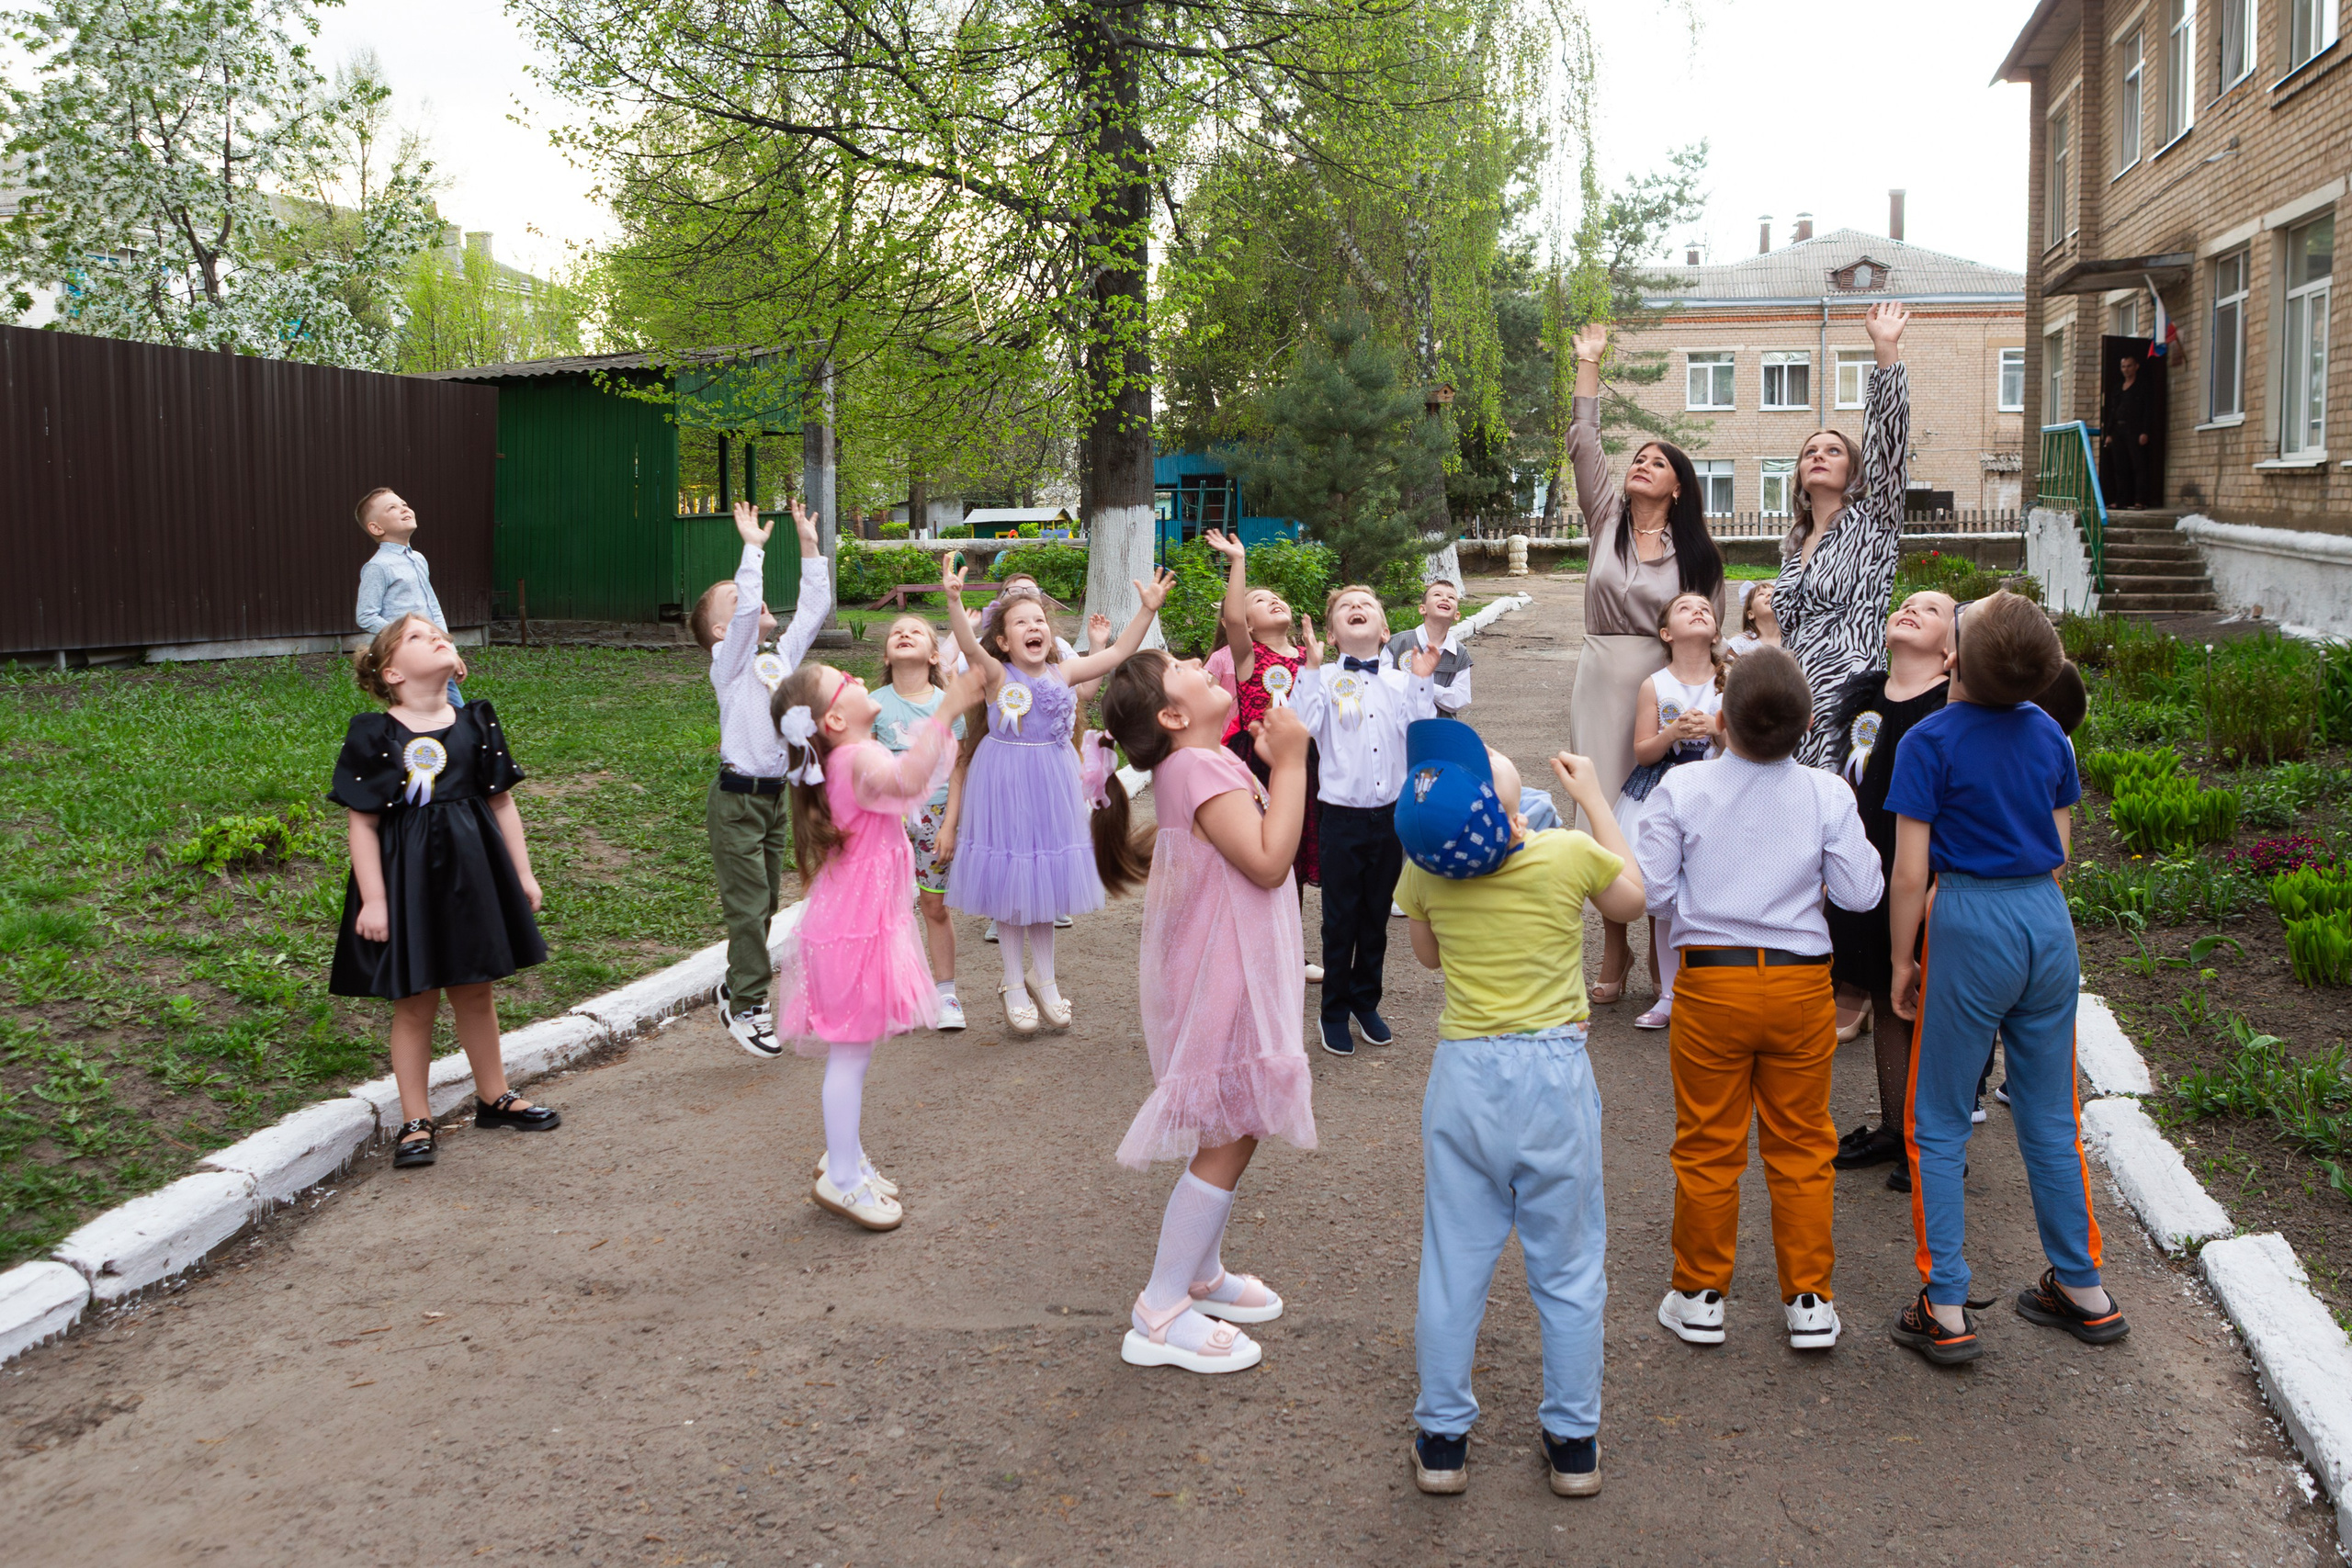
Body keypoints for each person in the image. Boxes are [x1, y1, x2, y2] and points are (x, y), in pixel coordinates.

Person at [1394, 722, 1645, 1498]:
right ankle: (1573, 1441)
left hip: (1465, 1074)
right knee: (1568, 1268)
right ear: (1513, 820)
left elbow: (1428, 956)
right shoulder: (1564, 854)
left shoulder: (1424, 874)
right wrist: (1595, 800)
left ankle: (1442, 1439)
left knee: (1454, 1262)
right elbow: (1633, 896)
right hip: (1552, 1075)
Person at [1886, 592, 2126, 1365]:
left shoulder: (1928, 740)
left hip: (1969, 920)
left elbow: (1910, 870)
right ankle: (2083, 1286)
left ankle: (1946, 1303)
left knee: (1940, 1119)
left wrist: (1902, 959)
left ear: (1951, 658)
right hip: (2045, 924)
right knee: (2053, 1114)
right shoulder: (2053, 733)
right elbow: (2056, 852)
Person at [1637, 647, 1883, 1351]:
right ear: (1808, 722)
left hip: (1711, 981)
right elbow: (1863, 891)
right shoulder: (1828, 793)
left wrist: (1705, 901)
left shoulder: (1682, 793)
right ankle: (1809, 1299)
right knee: (1803, 1142)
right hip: (1802, 982)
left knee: (1709, 1142)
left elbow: (1653, 891)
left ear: (1720, 716)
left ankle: (1700, 1294)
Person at [1091, 650, 1319, 1375]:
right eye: (1180, 665)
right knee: (1234, 1128)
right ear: (1173, 714)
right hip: (1230, 971)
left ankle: (1203, 1272)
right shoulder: (1196, 768)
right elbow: (1268, 859)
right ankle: (1159, 1310)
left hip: (1235, 960)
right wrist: (1291, 765)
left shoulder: (1205, 760)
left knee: (1235, 1120)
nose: (1198, 658)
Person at [766, 658, 987, 1230]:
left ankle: (846, 1156)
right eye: (847, 680)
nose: (861, 680)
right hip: (855, 933)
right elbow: (912, 781)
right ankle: (841, 1177)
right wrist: (947, 707)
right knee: (850, 1055)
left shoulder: (845, 758)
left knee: (853, 1056)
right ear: (835, 718)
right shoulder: (860, 756)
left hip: (853, 925)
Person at [330, 615, 554, 1168]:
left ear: (456, 663)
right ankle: (415, 1118)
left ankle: (494, 1096)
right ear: (392, 673)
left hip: (474, 878)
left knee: (476, 989)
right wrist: (375, 899)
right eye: (415, 636)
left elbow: (501, 802)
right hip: (406, 885)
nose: (434, 636)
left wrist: (522, 874)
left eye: (438, 633)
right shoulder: (373, 734)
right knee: (414, 1001)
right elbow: (362, 823)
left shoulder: (477, 721)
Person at [1563, 321, 1733, 1004]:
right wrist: (1588, 365)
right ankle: (1614, 947)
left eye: (1658, 462)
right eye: (1638, 457)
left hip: (1668, 686)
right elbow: (1583, 445)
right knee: (1603, 813)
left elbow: (1714, 634)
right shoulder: (1604, 517)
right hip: (1601, 679)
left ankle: (1671, 947)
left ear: (1679, 487)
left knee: (1669, 809)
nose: (1642, 465)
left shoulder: (1700, 557)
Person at [942, 554, 1176, 1032]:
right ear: (1004, 640)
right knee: (1010, 879)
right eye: (1021, 623)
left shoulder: (1063, 673)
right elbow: (968, 644)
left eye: (1039, 621)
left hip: (1053, 779)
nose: (1034, 627)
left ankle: (1043, 978)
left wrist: (1147, 611)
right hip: (1003, 780)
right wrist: (953, 600)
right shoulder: (995, 674)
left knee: (1046, 880)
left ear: (1049, 633)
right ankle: (1011, 980)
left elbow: (1115, 655)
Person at [1823, 591, 1956, 1185]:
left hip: (1924, 874)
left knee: (1925, 1003)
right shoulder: (1866, 700)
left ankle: (1931, 1139)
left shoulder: (1951, 705)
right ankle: (1895, 1130)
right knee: (1883, 992)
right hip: (1866, 869)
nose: (1910, 609)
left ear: (1952, 650)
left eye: (1929, 610)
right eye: (1905, 603)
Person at [691, 499, 831, 1059]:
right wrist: (751, 550)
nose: (751, 600)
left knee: (767, 901)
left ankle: (735, 984)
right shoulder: (726, 663)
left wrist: (807, 545)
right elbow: (748, 616)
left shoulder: (777, 660)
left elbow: (815, 607)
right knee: (749, 909)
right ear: (722, 630)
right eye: (737, 598)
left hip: (778, 800)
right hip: (736, 801)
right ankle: (748, 1002)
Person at [1293, 586, 1444, 1056]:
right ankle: (1333, 1010)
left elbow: (1420, 732)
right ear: (1334, 635)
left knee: (1376, 916)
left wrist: (1421, 679)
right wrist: (1312, 670)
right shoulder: (1323, 678)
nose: (1355, 609)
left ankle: (1366, 1000)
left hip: (1389, 818)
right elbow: (1302, 724)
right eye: (1344, 607)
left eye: (1367, 606)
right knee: (1340, 920)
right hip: (1340, 817)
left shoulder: (1402, 682)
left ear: (1384, 630)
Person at [1770, 300, 1914, 770]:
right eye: (1809, 451)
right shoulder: (1794, 549)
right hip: (1792, 703)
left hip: (1848, 700)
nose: (1818, 455)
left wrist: (1885, 349)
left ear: (1854, 469)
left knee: (1843, 811)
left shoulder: (1873, 523)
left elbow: (1889, 444)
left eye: (1833, 450)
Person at [1202, 528, 1324, 977]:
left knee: (1294, 855)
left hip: (1304, 765)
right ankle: (1253, 947)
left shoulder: (1308, 656)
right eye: (1260, 600)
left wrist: (1314, 665)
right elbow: (1232, 619)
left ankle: (1289, 950)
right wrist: (1238, 561)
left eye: (1277, 597)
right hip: (1256, 766)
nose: (1273, 601)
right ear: (1249, 625)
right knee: (1259, 854)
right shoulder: (1249, 655)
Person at [1615, 592, 1727, 1031]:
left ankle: (1711, 987)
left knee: (1709, 893)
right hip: (1665, 792)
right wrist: (1673, 732)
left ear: (1716, 630)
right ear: (1666, 633)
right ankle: (1668, 994)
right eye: (1684, 608)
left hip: (1718, 793)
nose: (1697, 611)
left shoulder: (1729, 678)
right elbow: (1643, 752)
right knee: (1665, 898)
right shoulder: (1655, 684)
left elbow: (1741, 743)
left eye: (1705, 609)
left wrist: (1716, 734)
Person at [872, 615, 968, 1031]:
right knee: (888, 909)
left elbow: (959, 767)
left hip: (936, 817)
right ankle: (897, 995)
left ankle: (946, 994)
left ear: (934, 656)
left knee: (934, 905)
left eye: (915, 631)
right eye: (897, 631)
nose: (904, 634)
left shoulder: (943, 707)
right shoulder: (872, 703)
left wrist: (950, 825)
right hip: (886, 821)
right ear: (887, 652)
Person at [353, 488, 466, 708]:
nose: (403, 508)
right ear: (376, 528)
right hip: (408, 659)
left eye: (404, 503)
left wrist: (450, 650)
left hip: (432, 651)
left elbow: (432, 607)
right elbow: (365, 616)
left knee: (448, 709)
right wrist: (405, 637)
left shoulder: (419, 559)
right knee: (433, 711)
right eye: (392, 508)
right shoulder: (378, 566)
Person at [1385, 578, 1472, 715]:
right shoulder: (1396, 643)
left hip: (1439, 728)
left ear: (1457, 615)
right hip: (1398, 726)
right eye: (1437, 595)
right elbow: (1384, 686)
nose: (1445, 599)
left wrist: (1427, 686)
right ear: (1422, 609)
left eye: (1451, 597)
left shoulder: (1459, 654)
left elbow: (1460, 698)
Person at [2100, 351, 2158, 510]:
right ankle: (2121, 501)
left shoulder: (2142, 386)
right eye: (2123, 366)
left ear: (2136, 367)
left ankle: (2140, 500)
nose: (2126, 369)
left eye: (2129, 366)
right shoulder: (2118, 388)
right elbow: (2112, 411)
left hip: (2135, 430)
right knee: (2120, 467)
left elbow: (2148, 410)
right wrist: (2109, 434)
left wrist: (2145, 431)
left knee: (2138, 465)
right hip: (2118, 430)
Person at [1724, 580, 1781, 657]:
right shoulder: (1739, 644)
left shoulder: (1795, 638)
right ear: (1751, 614)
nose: (1769, 594)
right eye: (1761, 594)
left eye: (1774, 593)